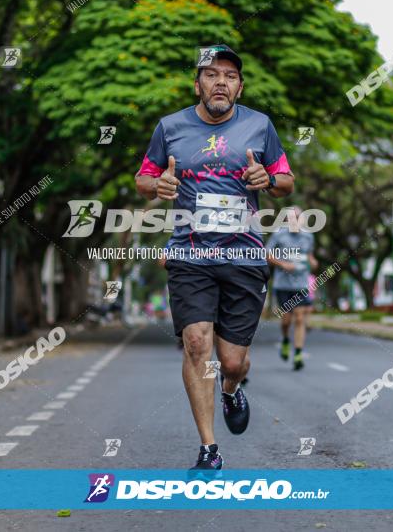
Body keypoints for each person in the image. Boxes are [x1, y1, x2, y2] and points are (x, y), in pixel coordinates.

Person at [134, 44, 294, 471]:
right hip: (189, 252)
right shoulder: (170, 127)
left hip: (244, 254)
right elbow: (143, 177)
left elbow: (285, 179)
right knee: (195, 343)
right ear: (198, 83)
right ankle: (209, 449)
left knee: (232, 360)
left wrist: (270, 178)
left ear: (239, 87)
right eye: (211, 73)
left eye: (229, 75)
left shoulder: (261, 126)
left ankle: (230, 388)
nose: (220, 81)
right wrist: (158, 186)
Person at [266, 207, 317, 370]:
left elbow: (309, 256)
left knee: (300, 318)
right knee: (286, 321)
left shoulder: (308, 236)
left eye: (297, 217)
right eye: (291, 217)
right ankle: (286, 339)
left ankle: (298, 353)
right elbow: (266, 254)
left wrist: (313, 262)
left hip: (301, 284)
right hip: (283, 284)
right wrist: (283, 264)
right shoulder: (278, 234)